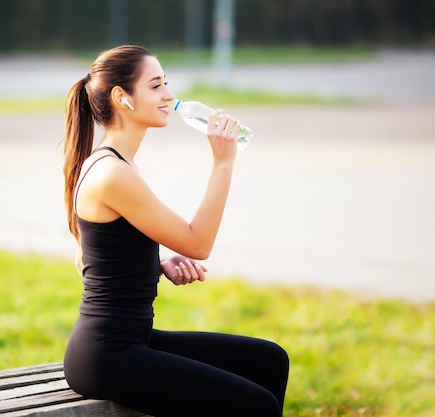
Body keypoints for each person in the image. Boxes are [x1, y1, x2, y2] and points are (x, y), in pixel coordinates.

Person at [62, 45, 289, 416]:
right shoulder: (113, 172)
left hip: (127, 340)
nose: (169, 94)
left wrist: (153, 264)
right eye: (155, 86)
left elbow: (89, 257)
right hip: (107, 354)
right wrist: (223, 163)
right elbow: (199, 244)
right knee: (257, 406)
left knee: (269, 361)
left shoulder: (113, 163)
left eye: (166, 83)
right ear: (123, 97)